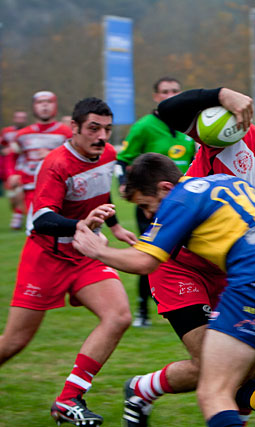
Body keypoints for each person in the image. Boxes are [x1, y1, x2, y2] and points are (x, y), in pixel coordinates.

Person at [73, 153, 255, 427]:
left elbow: (143, 261)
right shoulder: (224, 182)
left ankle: (142, 389)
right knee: (238, 377)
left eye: (146, 205)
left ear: (164, 187)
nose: (149, 215)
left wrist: (98, 250)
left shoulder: (179, 198)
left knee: (212, 389)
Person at [119, 87, 255, 426]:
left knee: (253, 369)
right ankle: (141, 389)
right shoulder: (233, 133)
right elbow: (167, 111)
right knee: (210, 368)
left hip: (230, 273)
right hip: (178, 265)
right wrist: (222, 95)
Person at [0, 97, 137, 426]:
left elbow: (102, 193)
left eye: (106, 129)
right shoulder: (56, 163)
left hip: (84, 256)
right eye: (93, 128)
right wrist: (81, 225)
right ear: (73, 128)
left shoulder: (107, 154)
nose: (101, 136)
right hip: (45, 257)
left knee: (118, 316)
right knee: (14, 342)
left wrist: (115, 226)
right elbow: (42, 219)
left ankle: (68, 400)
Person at [116, 76, 196, 328]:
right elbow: (122, 160)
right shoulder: (144, 126)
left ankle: (193, 302)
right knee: (151, 252)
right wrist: (123, 183)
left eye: (175, 90)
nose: (170, 95)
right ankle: (142, 309)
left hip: (184, 203)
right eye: (164, 91)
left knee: (189, 253)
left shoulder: (191, 127)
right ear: (155, 96)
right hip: (153, 203)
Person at [7, 92, 72, 229]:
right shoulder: (22, 135)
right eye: (40, 102)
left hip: (56, 188)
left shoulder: (66, 133)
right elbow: (13, 157)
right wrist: (12, 173)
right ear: (33, 107)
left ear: (55, 106)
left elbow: (74, 160)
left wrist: (53, 155)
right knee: (34, 229)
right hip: (30, 188)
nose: (44, 105)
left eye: (48, 102)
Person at [0, 110, 28, 229]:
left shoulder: (28, 133)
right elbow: (2, 144)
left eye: (22, 118)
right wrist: (3, 151)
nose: (20, 120)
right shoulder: (7, 132)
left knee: (20, 193)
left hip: (23, 167)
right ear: (14, 118)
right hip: (8, 167)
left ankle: (18, 218)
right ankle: (17, 213)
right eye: (18, 117)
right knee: (12, 196)